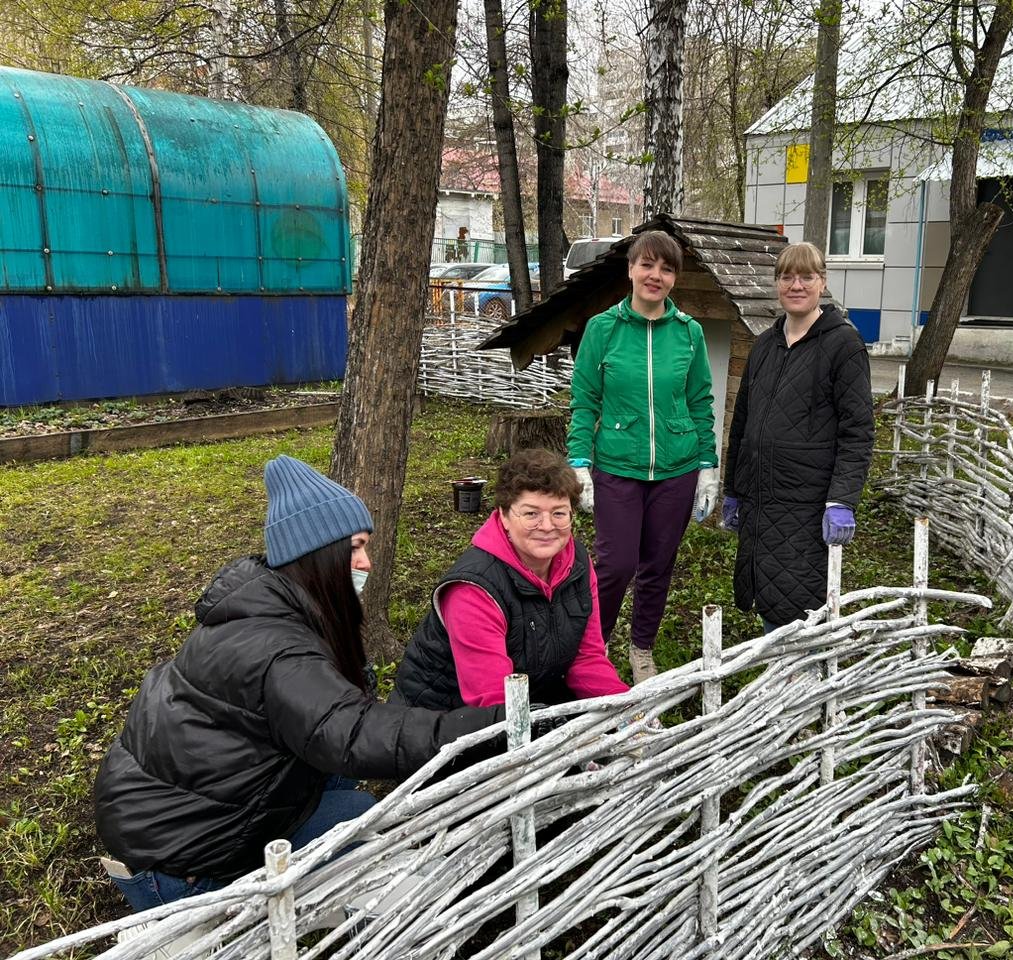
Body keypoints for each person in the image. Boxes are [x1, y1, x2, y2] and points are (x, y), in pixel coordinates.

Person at [93, 456, 502, 912]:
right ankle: (192, 923)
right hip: (179, 867)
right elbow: (351, 732)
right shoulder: (276, 646)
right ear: (317, 555)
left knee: (345, 792)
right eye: (355, 548)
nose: (366, 561)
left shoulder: (269, 610)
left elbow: (333, 718)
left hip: (165, 828)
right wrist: (484, 727)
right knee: (362, 830)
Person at [565, 230, 719, 683]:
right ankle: (596, 646)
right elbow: (585, 401)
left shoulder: (689, 333)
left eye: (667, 268)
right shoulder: (602, 329)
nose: (656, 275)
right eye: (647, 265)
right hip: (617, 465)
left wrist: (707, 467)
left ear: (675, 278)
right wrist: (579, 462)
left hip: (678, 468)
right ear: (630, 269)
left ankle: (642, 648)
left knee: (658, 564)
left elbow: (700, 402)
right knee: (615, 564)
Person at [396, 448, 629, 710]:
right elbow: (492, 702)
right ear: (504, 516)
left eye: (559, 513)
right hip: (445, 722)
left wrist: (627, 710)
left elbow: (586, 659)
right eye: (531, 514)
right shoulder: (474, 589)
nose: (547, 525)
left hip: (532, 702)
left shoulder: (577, 564)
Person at [722, 241, 875, 632]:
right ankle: (780, 677)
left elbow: (857, 431)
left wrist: (841, 499)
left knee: (799, 599)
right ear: (777, 284)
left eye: (806, 276)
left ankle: (800, 681)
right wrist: (734, 489)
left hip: (807, 503)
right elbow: (742, 423)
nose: (796, 285)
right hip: (761, 497)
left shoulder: (843, 345)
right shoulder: (764, 346)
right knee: (765, 588)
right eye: (787, 276)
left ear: (822, 282)